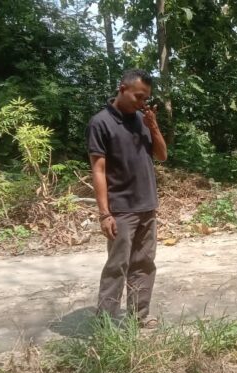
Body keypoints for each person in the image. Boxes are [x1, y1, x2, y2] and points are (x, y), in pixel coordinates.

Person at [86, 69, 168, 327]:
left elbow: (162, 155)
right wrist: (104, 213)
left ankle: (139, 317)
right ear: (122, 89)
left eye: (146, 98)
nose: (142, 102)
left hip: (147, 205)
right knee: (117, 265)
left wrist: (153, 126)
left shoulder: (143, 120)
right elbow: (98, 170)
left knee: (144, 263)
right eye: (138, 96)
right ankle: (106, 323)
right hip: (121, 209)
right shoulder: (100, 123)